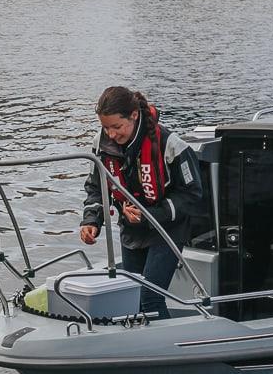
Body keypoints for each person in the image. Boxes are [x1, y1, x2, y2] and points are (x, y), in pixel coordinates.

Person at [80, 86, 203, 319]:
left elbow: (193, 195)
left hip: (167, 229)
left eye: (117, 127)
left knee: (150, 298)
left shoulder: (171, 145)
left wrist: (151, 214)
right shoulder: (101, 145)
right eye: (106, 128)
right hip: (131, 229)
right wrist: (91, 221)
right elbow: (96, 187)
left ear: (134, 115)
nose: (112, 134)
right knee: (131, 296)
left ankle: (167, 351)